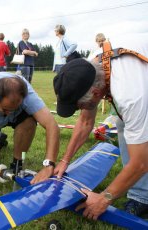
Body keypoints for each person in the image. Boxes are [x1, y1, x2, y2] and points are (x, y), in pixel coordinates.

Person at [53, 36, 148, 220]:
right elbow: (86, 122)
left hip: (141, 85)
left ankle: (142, 198)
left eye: (79, 106)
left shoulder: (130, 95)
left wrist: (104, 198)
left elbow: (142, 162)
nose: (80, 111)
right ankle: (141, 194)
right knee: (122, 122)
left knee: (140, 144)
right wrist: (65, 160)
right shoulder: (91, 67)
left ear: (96, 94)